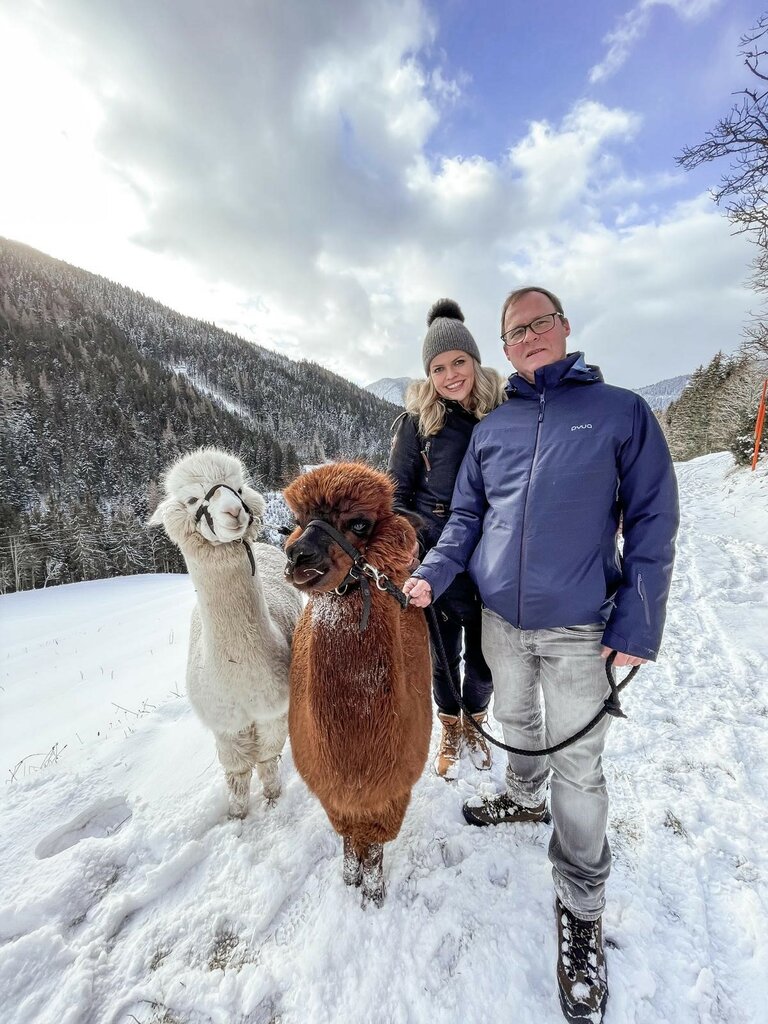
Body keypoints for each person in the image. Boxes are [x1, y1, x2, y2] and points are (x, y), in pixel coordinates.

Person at [403, 286, 678, 1024]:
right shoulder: (496, 427)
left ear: (562, 328)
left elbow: (652, 519)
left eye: (537, 324)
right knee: (518, 722)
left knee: (581, 766)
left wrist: (639, 620)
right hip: (500, 619)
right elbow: (465, 516)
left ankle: (582, 907)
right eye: (512, 330)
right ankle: (523, 799)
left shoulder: (621, 413)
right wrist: (432, 574)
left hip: (580, 628)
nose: (525, 337)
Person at [388, 298, 505, 779]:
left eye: (459, 361)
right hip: (436, 552)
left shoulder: (504, 410)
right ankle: (450, 727)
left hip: (494, 553)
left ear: (476, 361)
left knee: (484, 660)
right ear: (428, 375)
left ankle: (476, 721)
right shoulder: (417, 424)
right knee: (443, 657)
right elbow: (396, 498)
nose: (451, 374)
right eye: (439, 367)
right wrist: (417, 552)